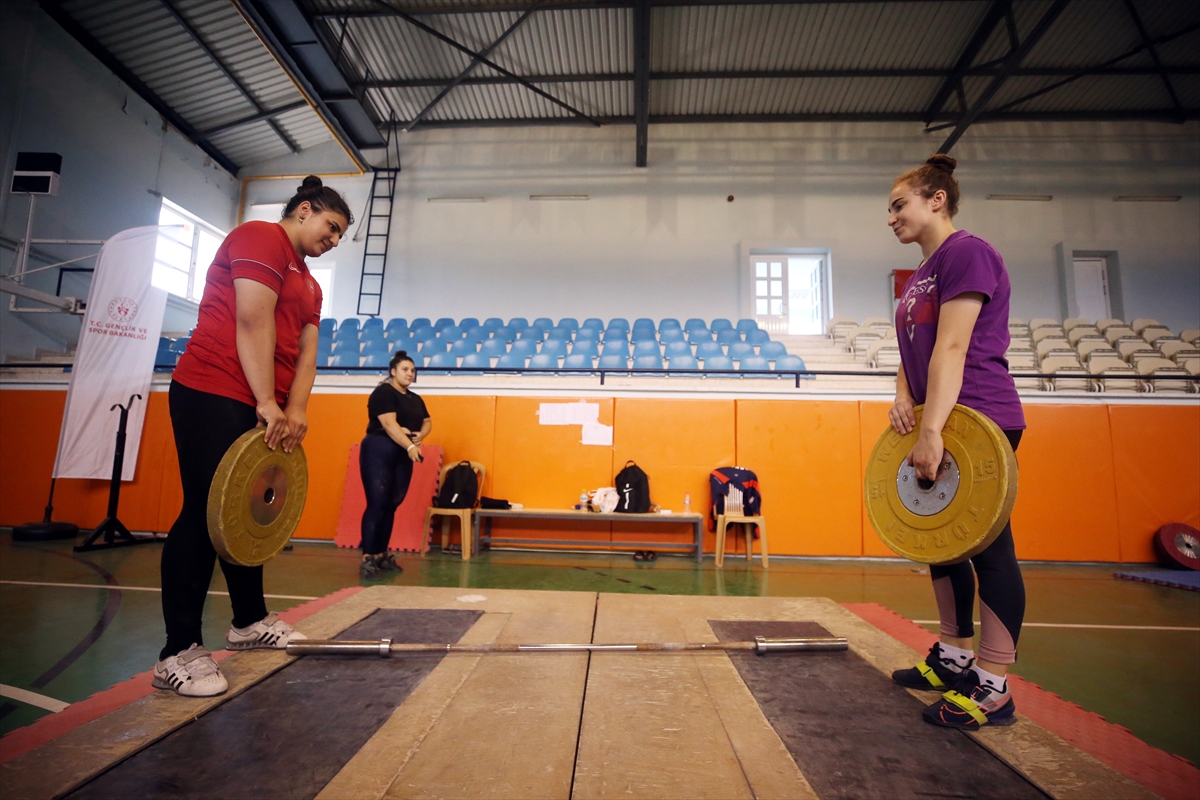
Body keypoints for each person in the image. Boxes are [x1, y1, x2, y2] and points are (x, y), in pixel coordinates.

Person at [155, 176, 352, 697]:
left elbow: (307, 352)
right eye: (330, 228)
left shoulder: (311, 284)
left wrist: (296, 408)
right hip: (213, 387)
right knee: (203, 511)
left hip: (263, 403)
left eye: (340, 237)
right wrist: (267, 401)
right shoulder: (260, 237)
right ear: (304, 209)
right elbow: (250, 319)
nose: (333, 240)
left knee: (244, 517)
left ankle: (248, 622)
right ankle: (176, 651)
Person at [886, 154, 1027, 730]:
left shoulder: (967, 253)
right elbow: (913, 348)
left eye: (899, 205)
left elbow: (951, 349)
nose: (890, 218)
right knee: (941, 544)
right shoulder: (919, 273)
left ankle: (993, 689)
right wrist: (902, 394)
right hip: (942, 416)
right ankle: (952, 658)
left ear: (935, 199)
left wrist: (933, 429)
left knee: (988, 547)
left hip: (980, 419)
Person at [359, 350, 431, 579]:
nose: (410, 374)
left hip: (402, 452)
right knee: (377, 502)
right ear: (393, 371)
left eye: (412, 370)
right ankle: (367, 557)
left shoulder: (415, 398)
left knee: (393, 503)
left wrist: (420, 436)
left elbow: (427, 421)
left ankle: (381, 554)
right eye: (405, 369)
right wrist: (410, 447)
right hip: (379, 449)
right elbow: (390, 425)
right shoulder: (383, 393)